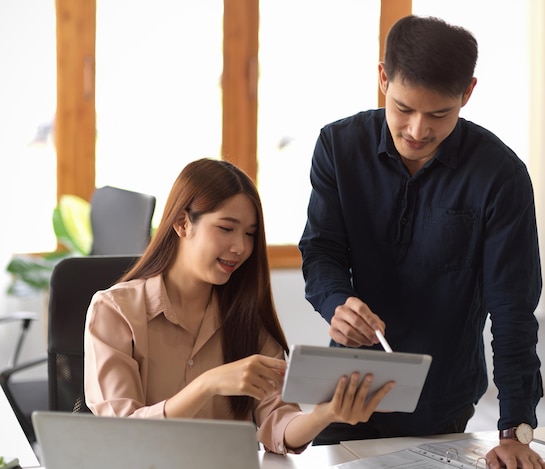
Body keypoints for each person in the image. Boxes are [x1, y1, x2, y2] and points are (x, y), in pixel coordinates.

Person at [298, 14, 545, 469]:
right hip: (347, 383)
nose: (417, 130)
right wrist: (336, 302)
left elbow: (512, 311)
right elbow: (321, 250)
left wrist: (516, 428)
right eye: (403, 108)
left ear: (467, 94)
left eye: (439, 114)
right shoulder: (338, 147)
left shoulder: (500, 177)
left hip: (442, 394)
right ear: (382, 78)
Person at [84, 158, 394, 455]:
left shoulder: (246, 314)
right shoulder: (115, 311)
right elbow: (121, 431)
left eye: (249, 234)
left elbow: (277, 421)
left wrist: (325, 414)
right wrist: (207, 384)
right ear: (182, 223)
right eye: (226, 228)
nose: (241, 247)